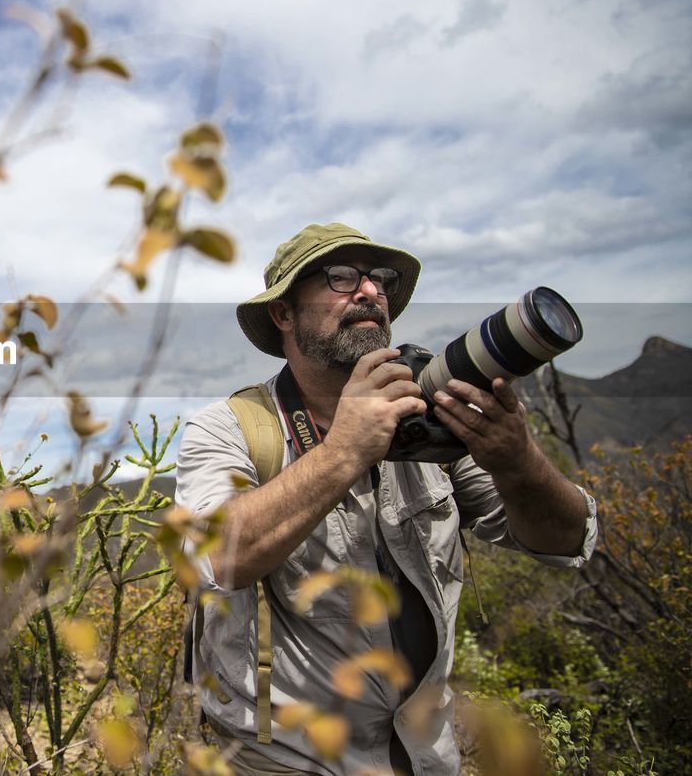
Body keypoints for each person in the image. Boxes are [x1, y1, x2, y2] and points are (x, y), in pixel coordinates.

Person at [176, 222, 597, 775]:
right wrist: (345, 449)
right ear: (283, 314)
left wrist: (519, 462)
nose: (370, 291)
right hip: (282, 761)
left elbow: (566, 540)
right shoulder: (228, 429)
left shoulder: (430, 423)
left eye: (380, 279)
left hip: (425, 758)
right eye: (340, 277)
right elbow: (215, 558)